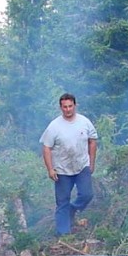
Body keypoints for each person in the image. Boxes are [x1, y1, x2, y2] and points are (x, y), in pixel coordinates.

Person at [41, 92, 99, 235]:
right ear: (60, 108)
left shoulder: (84, 122)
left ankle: (73, 209)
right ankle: (63, 235)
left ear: (75, 105)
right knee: (62, 203)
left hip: (81, 165)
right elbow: (46, 147)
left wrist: (91, 163)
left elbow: (92, 141)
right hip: (62, 170)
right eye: (64, 107)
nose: (68, 109)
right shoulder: (54, 126)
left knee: (87, 194)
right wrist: (50, 169)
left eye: (70, 106)